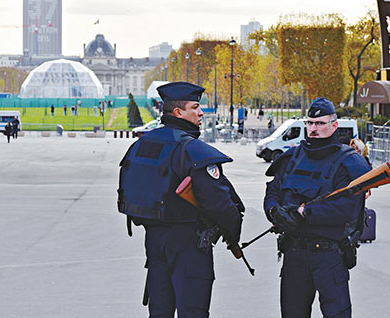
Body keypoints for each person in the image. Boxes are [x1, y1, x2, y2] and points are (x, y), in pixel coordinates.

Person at [118, 82, 244, 317]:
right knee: (193, 310)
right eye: (195, 107)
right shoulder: (191, 150)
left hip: (154, 240)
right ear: (178, 113)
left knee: (160, 310)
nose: (200, 113)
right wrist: (233, 232)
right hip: (189, 243)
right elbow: (218, 203)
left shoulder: (141, 145)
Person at [263, 97, 371, 318]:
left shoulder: (349, 162)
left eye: (320, 123)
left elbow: (347, 209)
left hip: (329, 256)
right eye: (310, 123)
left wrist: (305, 214)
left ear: (334, 125)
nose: (314, 128)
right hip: (294, 253)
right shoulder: (292, 157)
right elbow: (273, 190)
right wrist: (274, 211)